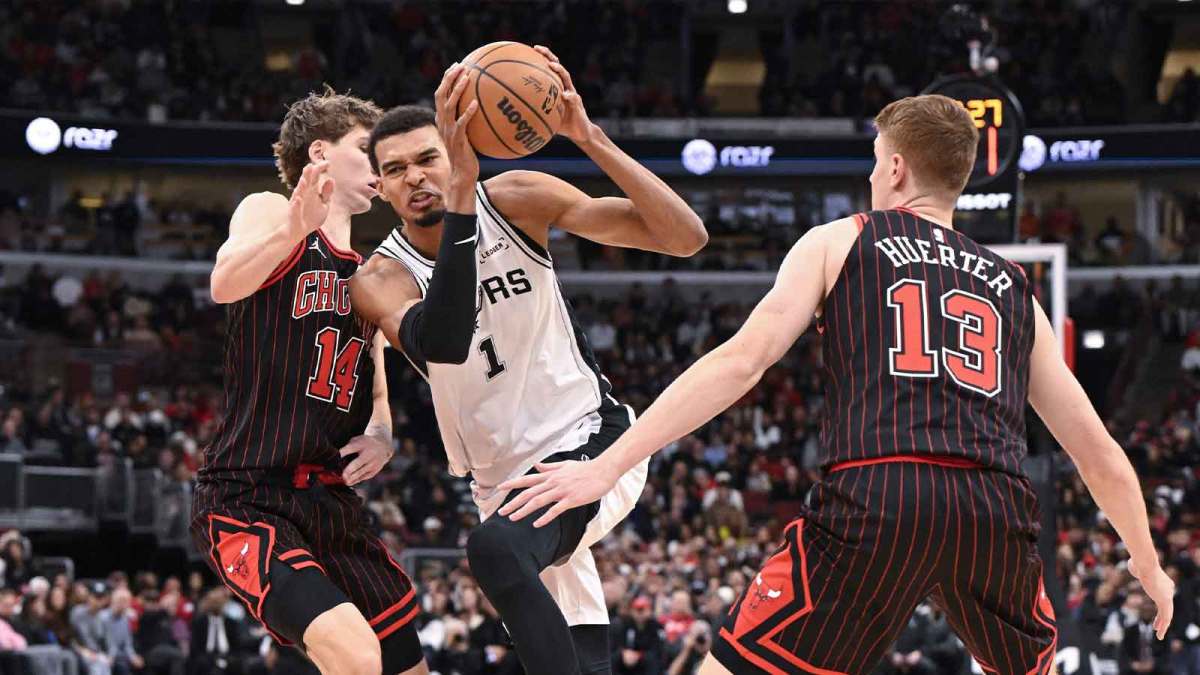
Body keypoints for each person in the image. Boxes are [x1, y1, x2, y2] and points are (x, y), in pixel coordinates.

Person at [501, 94, 1176, 674]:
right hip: (992, 506)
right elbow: (1096, 451)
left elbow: (743, 361)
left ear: (894, 165)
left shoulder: (840, 240)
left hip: (879, 493)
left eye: (874, 158)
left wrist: (607, 466)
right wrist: (1147, 564)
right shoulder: (1014, 286)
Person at [350, 49, 706, 675]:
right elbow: (446, 338)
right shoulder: (380, 276)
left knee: (495, 551)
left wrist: (588, 136)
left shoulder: (517, 199)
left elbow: (685, 238)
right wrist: (461, 188)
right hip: (500, 479)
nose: (416, 177)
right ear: (379, 187)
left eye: (430, 157)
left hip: (590, 442)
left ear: (456, 146)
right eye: (396, 169)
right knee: (580, 654)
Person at [189, 89, 426, 675]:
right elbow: (225, 282)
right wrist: (295, 226)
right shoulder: (268, 212)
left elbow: (373, 383)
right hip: (248, 493)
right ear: (320, 153)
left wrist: (381, 433)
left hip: (329, 502)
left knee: (405, 665)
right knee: (355, 656)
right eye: (368, 150)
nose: (381, 167)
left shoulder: (369, 273)